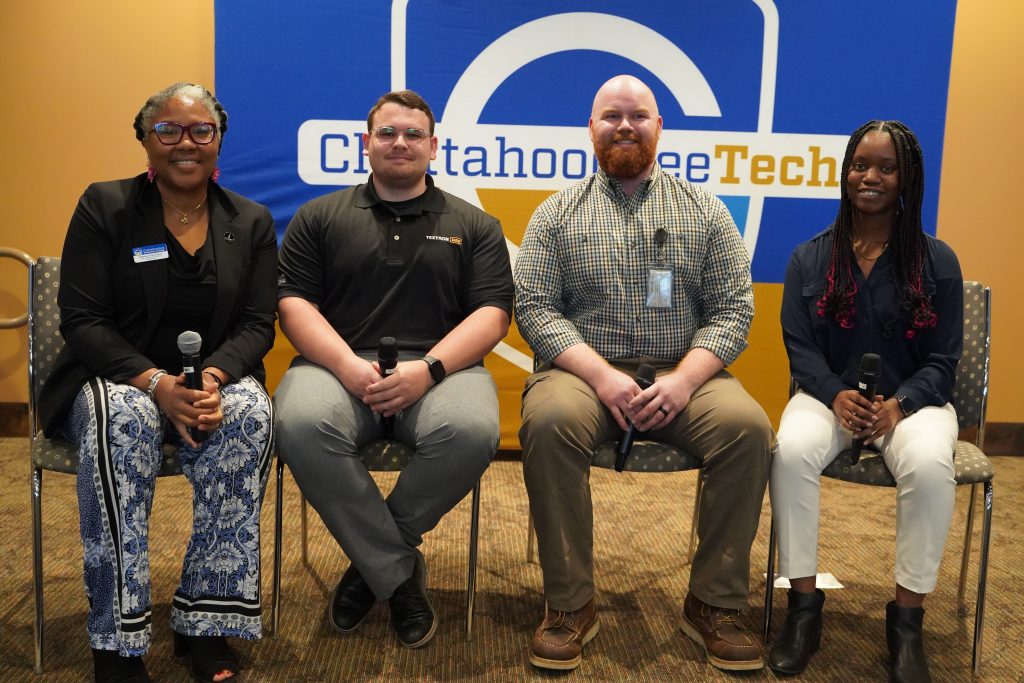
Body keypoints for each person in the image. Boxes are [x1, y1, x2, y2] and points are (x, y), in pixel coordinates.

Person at [514, 75, 773, 673]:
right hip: (582, 375)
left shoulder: (704, 209)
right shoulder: (555, 213)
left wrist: (684, 381)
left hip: (686, 374)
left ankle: (713, 604)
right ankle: (570, 605)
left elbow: (735, 309)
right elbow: (534, 309)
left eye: (638, 115)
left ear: (660, 127)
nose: (624, 126)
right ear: (591, 128)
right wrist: (603, 377)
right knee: (549, 423)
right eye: (611, 116)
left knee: (748, 429)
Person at [40, 83, 277, 683]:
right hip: (114, 377)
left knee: (249, 414)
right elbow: (83, 320)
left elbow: (256, 323)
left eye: (201, 130)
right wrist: (155, 384)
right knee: (128, 418)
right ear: (146, 139)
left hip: (210, 378)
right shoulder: (106, 206)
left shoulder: (249, 220)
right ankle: (117, 641)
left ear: (219, 140)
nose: (185, 142)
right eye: (169, 129)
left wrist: (213, 378)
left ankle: (206, 624)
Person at [273, 90, 513, 649]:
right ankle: (398, 573)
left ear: (433, 145)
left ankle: (372, 563)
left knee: (473, 431)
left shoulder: (475, 224)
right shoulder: (319, 217)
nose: (399, 143)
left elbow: (493, 313)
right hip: (335, 367)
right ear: (366, 144)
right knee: (301, 424)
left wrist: (427, 370)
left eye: (412, 134)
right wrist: (349, 369)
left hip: (444, 370)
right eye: (386, 133)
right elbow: (293, 306)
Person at [769, 120, 962, 683]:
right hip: (828, 398)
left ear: (907, 180)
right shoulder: (810, 259)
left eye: (885, 167)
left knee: (929, 466)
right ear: (845, 173)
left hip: (911, 406)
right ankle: (802, 609)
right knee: (790, 452)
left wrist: (899, 404)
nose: (869, 177)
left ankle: (907, 620)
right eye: (860, 165)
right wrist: (834, 393)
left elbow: (944, 361)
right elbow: (799, 350)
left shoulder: (937, 261)